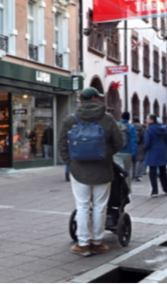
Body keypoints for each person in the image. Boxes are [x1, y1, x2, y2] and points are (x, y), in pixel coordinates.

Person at [58, 88, 124, 256]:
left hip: (79, 170)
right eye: (99, 97)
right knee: (100, 207)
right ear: (94, 98)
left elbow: (61, 145)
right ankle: (97, 242)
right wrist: (106, 156)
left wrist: (71, 164)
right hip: (103, 170)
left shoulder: (70, 119)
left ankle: (83, 244)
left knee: (82, 206)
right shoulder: (107, 118)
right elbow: (119, 143)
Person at [144, 114, 167, 198]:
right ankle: (166, 189)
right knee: (163, 170)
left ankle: (155, 191)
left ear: (152, 120)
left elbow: (147, 143)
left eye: (147, 118)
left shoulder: (150, 130)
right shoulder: (163, 129)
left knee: (152, 171)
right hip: (162, 150)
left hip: (152, 151)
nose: (146, 120)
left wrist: (146, 147)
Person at [115, 112, 138, 189]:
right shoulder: (131, 127)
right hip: (127, 153)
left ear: (121, 117)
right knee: (127, 171)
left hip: (117, 152)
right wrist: (134, 153)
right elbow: (133, 140)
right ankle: (127, 188)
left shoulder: (116, 125)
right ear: (129, 118)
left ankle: (119, 187)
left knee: (118, 171)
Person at [132, 117, 146, 182]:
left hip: (132, 145)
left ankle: (132, 174)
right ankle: (137, 175)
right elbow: (144, 137)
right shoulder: (142, 128)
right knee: (139, 160)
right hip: (140, 146)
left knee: (132, 161)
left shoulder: (131, 127)